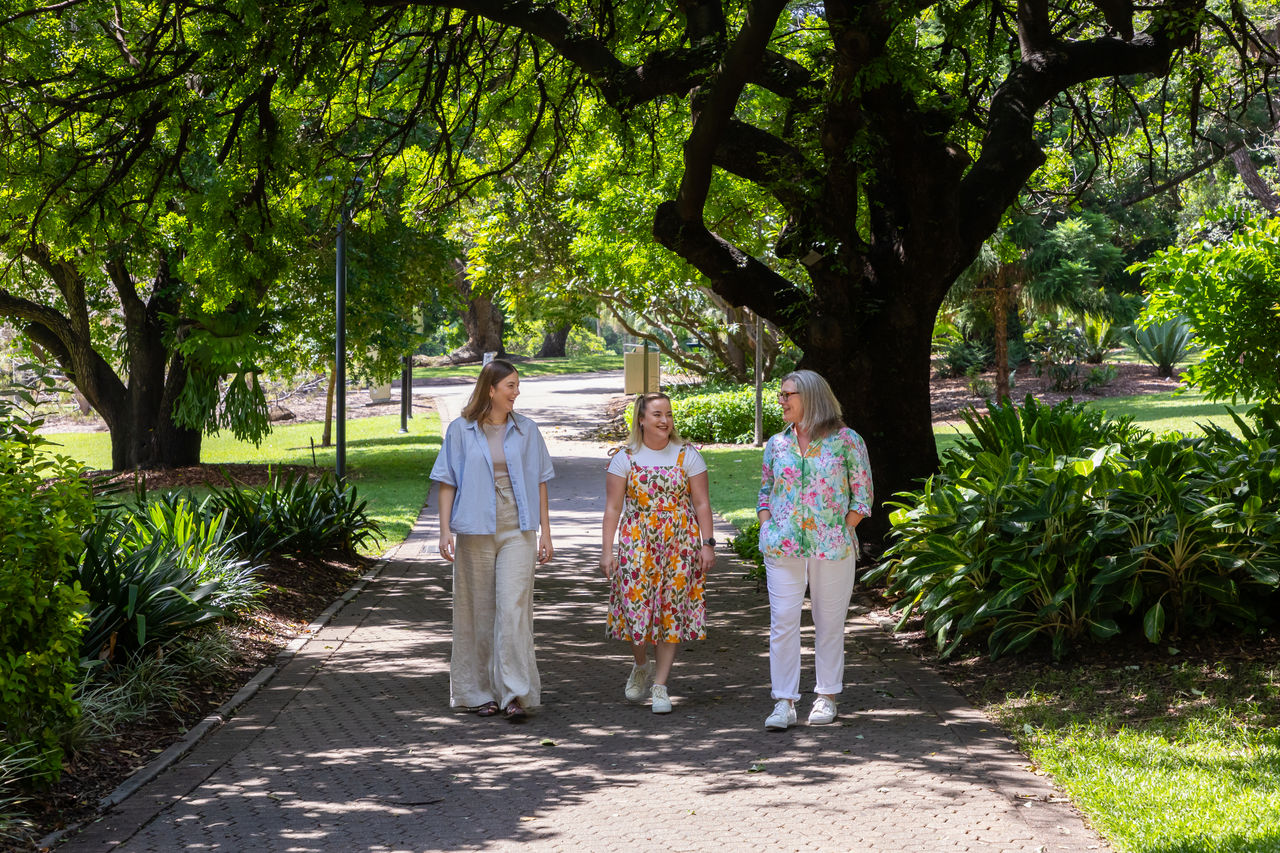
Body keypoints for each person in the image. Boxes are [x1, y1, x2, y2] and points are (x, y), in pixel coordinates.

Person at [431, 359, 554, 721]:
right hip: (475, 527)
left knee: (513, 610)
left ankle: (514, 694)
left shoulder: (528, 430)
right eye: (511, 386)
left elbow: (541, 482)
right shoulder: (460, 430)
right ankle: (476, 693)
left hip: (519, 528)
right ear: (491, 389)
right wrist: (443, 531)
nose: (517, 393)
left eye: (517, 386)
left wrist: (546, 532)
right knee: (476, 611)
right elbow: (446, 481)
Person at [757, 370, 873, 731]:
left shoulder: (847, 441)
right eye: (780, 395)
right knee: (783, 623)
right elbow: (766, 490)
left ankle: (827, 696)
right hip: (783, 546)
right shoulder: (777, 443)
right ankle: (784, 701)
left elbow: (863, 495)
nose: (782, 401)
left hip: (833, 548)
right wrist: (766, 524)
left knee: (829, 624)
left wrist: (843, 527)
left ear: (811, 397)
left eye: (787, 394)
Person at [600, 392, 716, 714]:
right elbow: (612, 508)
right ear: (641, 419)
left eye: (668, 414)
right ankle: (641, 664)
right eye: (657, 415)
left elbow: (702, 503)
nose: (665, 421)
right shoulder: (625, 458)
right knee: (635, 608)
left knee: (671, 613)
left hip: (681, 545)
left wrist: (708, 543)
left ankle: (661, 686)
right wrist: (607, 551)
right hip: (637, 543)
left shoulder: (687, 455)